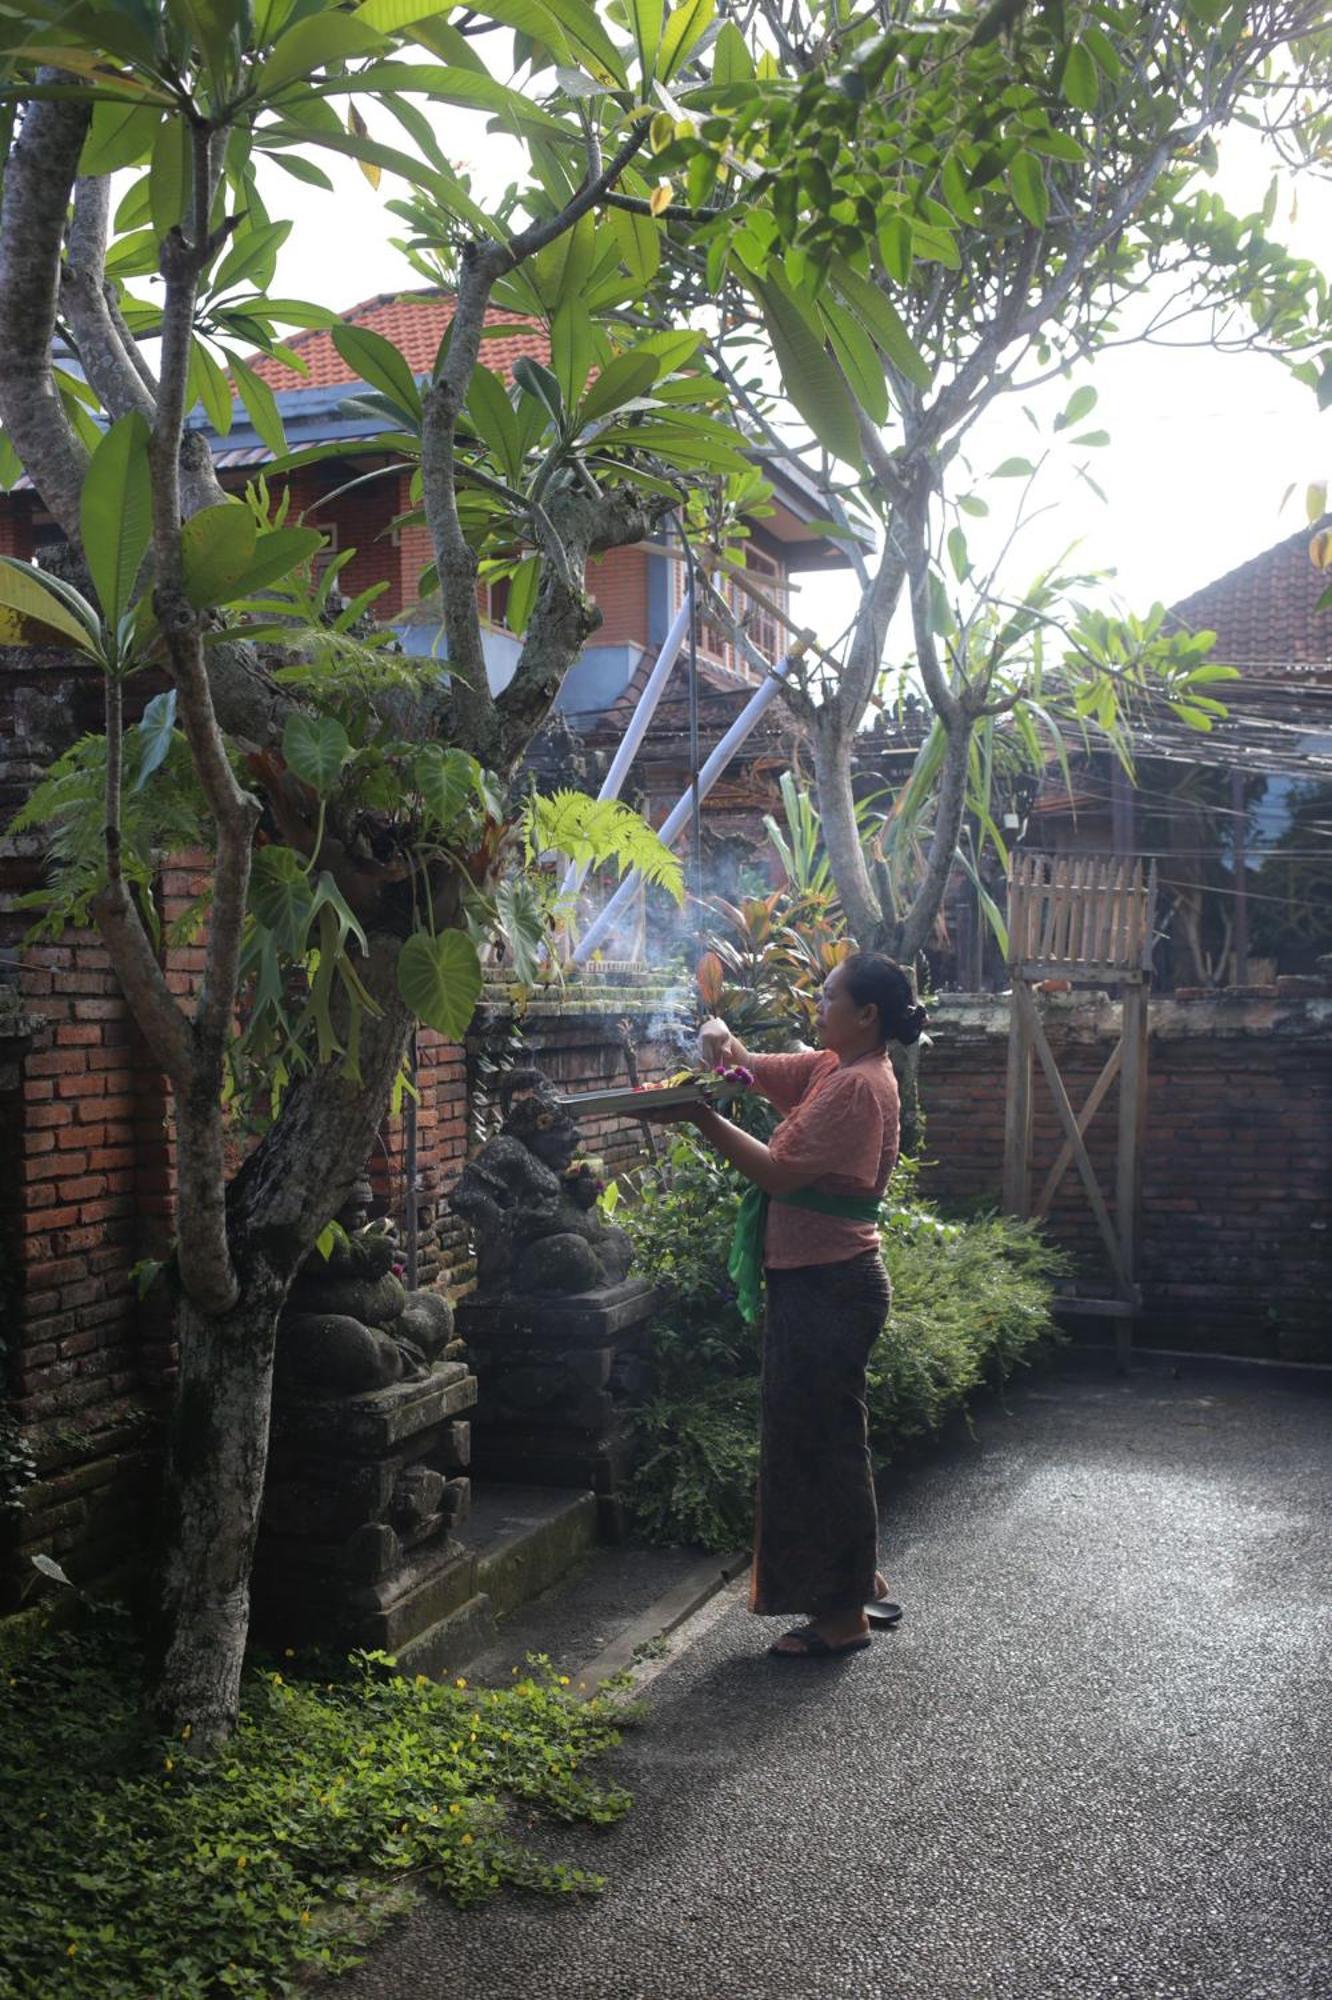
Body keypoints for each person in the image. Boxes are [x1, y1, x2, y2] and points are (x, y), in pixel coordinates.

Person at [641, 953, 927, 1660]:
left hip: (830, 1287)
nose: (816, 1007)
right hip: (820, 1281)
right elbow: (758, 1068)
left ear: (867, 1015)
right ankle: (851, 1581)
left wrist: (695, 1116)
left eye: (829, 998)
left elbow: (775, 1169)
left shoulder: (858, 1087)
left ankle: (840, 1617)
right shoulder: (835, 1067)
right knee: (823, 1441)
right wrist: (718, 1038)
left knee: (818, 1448)